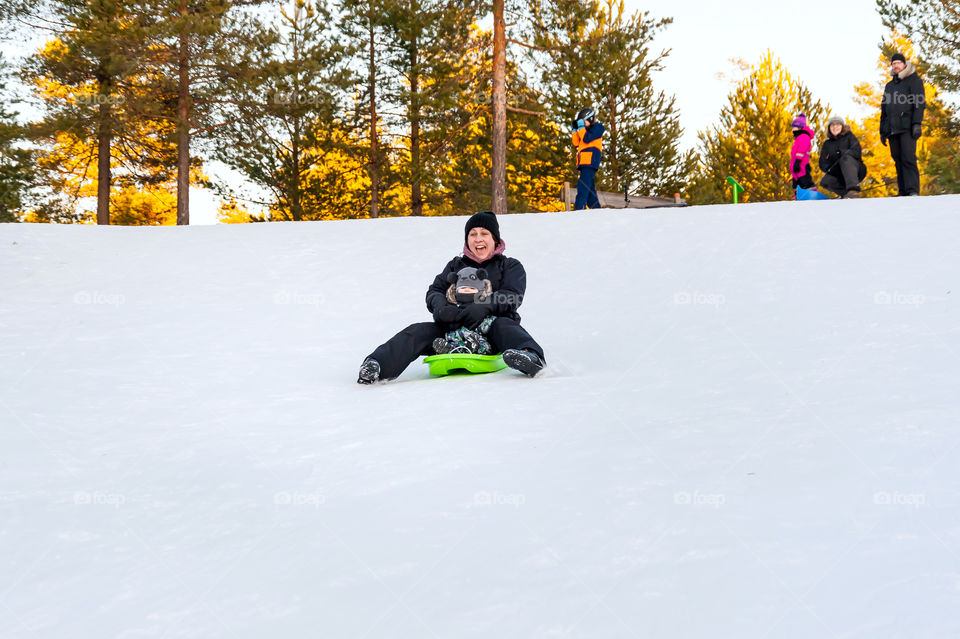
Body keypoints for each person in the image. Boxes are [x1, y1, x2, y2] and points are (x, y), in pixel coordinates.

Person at [358, 211, 546, 383]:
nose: (478, 239)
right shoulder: (455, 265)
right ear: (467, 239)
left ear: (495, 239)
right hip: (453, 329)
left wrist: (484, 306)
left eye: (484, 233)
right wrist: (440, 307)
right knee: (417, 331)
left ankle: (530, 356)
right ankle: (376, 365)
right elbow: (435, 291)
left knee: (505, 326)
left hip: (491, 330)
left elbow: (512, 296)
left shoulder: (509, 266)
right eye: (473, 234)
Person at [880, 52, 925, 196]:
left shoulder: (914, 80)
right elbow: (884, 109)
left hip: (908, 126)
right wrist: (882, 130)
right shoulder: (889, 85)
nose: (896, 66)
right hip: (892, 129)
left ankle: (913, 190)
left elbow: (919, 103)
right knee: (897, 160)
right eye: (893, 64)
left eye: (898, 63)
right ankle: (903, 191)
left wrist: (917, 123)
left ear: (904, 64)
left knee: (908, 158)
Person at [819, 116, 867, 199]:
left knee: (846, 158)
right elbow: (822, 162)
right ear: (829, 128)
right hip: (838, 171)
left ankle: (853, 190)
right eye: (832, 125)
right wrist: (828, 167)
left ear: (842, 126)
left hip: (855, 169)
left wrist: (842, 153)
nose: (835, 127)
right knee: (825, 181)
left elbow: (857, 152)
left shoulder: (849, 137)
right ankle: (845, 194)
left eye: (838, 125)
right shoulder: (827, 143)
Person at [570, 107, 604, 210]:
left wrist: (581, 128)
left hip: (590, 162)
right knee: (589, 191)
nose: (583, 125)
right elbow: (576, 143)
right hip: (584, 163)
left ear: (590, 118)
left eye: (584, 122)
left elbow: (586, 138)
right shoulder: (583, 130)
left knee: (582, 187)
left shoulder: (598, 128)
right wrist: (575, 130)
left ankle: (579, 210)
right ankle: (597, 210)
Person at [789, 113, 816, 192]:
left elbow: (802, 149)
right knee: (797, 183)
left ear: (800, 127)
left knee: (805, 181)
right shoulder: (798, 137)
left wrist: (798, 161)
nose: (792, 129)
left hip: (801, 165)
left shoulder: (803, 136)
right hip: (796, 167)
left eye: (794, 127)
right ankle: (798, 196)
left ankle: (812, 194)